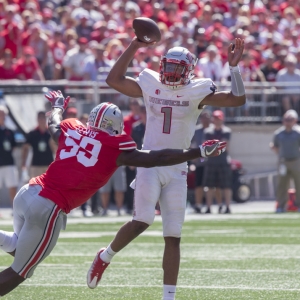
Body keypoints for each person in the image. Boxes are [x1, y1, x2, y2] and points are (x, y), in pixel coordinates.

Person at [0, 90, 226, 296]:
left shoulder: (72, 127)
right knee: (21, 271)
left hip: (28, 192)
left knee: (21, 250)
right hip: (48, 206)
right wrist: (198, 151)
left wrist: (58, 105)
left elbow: (53, 124)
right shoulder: (114, 145)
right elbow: (156, 158)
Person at [86, 37, 246, 300]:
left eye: (177, 68)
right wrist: (135, 46)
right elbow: (113, 80)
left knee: (173, 235)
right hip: (149, 161)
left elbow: (237, 100)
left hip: (178, 166)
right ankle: (105, 256)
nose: (171, 72)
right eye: (169, 66)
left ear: (189, 71)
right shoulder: (150, 84)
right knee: (142, 220)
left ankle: (168, 297)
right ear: (161, 65)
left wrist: (234, 68)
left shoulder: (197, 90)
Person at [270, 109, 300, 213]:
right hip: (283, 161)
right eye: (286, 119)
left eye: (290, 119)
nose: (288, 122)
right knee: (282, 185)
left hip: (296, 161)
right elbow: (275, 146)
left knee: (298, 184)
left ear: (294, 120)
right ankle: (281, 206)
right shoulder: (279, 133)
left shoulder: (298, 132)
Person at [203, 110, 232, 214]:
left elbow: (225, 147)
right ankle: (208, 207)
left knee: (226, 186)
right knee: (209, 186)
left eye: (218, 118)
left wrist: (213, 147)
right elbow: (206, 147)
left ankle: (228, 206)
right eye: (215, 118)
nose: (217, 120)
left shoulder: (226, 131)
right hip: (211, 161)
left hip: (222, 161)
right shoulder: (208, 132)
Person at [190, 110, 212, 213]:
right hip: (200, 161)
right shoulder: (196, 131)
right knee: (199, 184)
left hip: (212, 161)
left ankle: (209, 206)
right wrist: (193, 156)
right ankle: (198, 205)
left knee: (211, 185)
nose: (205, 119)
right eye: (203, 117)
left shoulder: (213, 130)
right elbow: (190, 143)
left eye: (207, 117)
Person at [21, 111, 55, 179]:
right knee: (35, 187)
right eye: (40, 118)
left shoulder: (51, 133)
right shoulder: (32, 133)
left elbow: (55, 149)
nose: (41, 120)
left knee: (49, 186)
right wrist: (23, 162)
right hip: (36, 164)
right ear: (37, 119)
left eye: (43, 117)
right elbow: (25, 148)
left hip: (48, 164)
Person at [0, 105, 18, 208]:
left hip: (9, 163)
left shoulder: (9, 131)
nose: (1, 116)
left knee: (12, 186)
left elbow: (13, 147)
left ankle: (14, 208)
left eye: (3, 114)